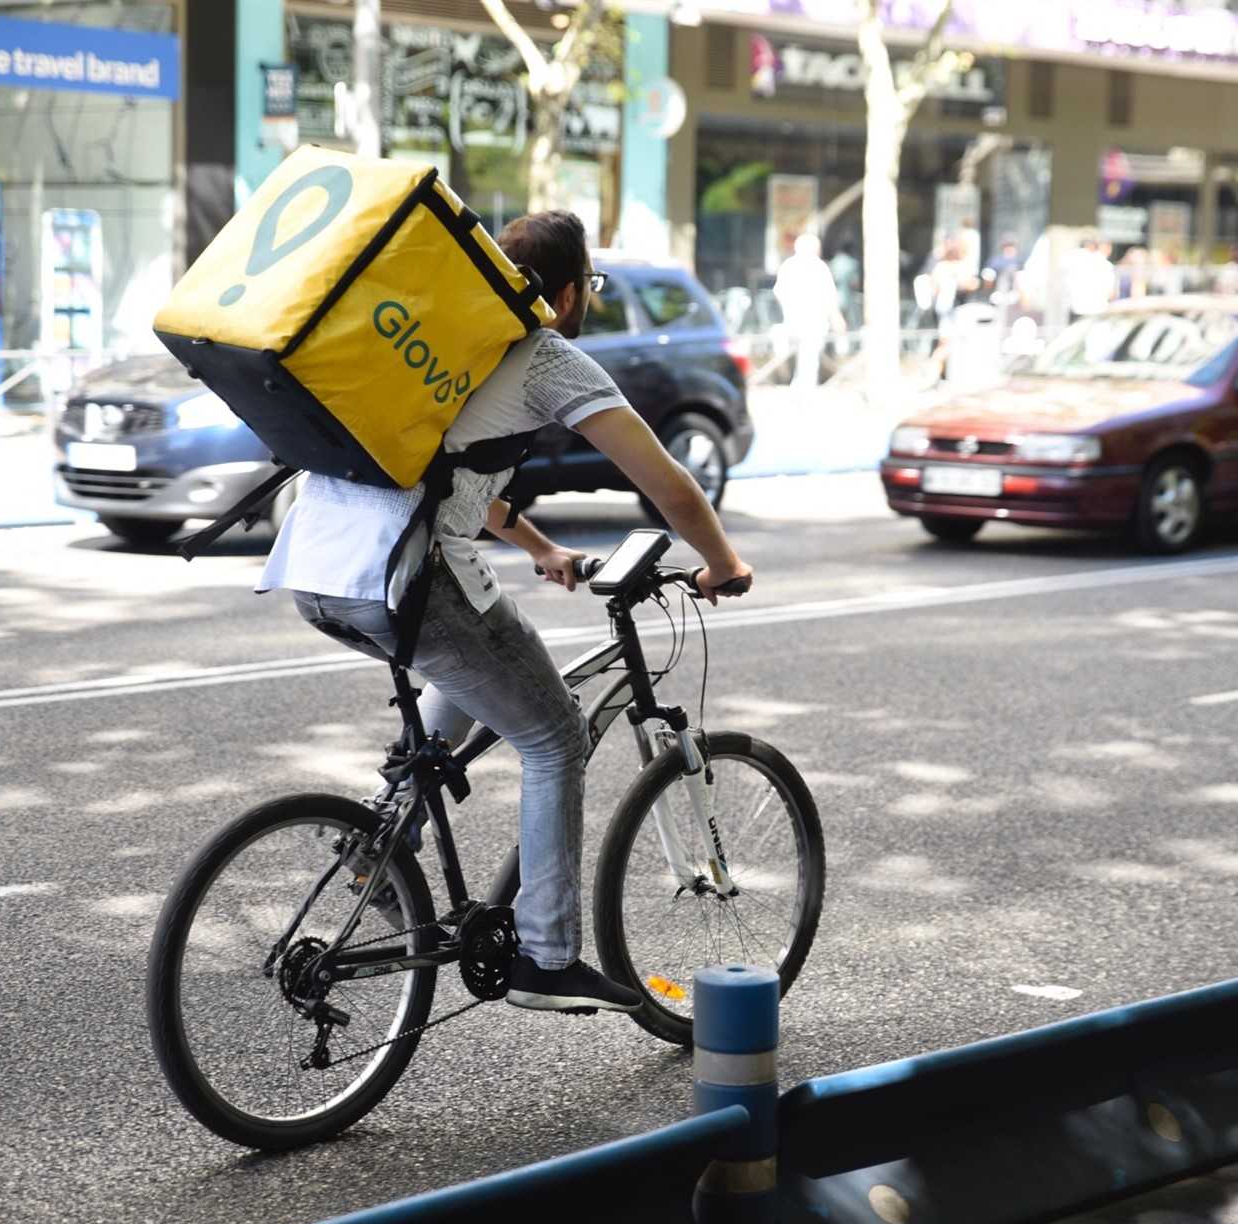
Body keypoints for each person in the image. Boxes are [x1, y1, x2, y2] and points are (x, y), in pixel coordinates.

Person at [257, 210, 755, 1014]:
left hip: (318, 564)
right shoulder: (542, 356)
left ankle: (376, 855)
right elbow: (667, 483)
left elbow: (454, 466)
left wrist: (537, 546)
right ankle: (546, 957)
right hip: (405, 576)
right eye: (586, 286)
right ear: (563, 293)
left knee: (470, 666)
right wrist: (723, 563)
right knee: (555, 732)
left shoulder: (439, 335)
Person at [772, 232, 844, 389]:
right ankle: (803, 387)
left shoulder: (788, 266)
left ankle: (794, 383)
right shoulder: (819, 267)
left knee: (802, 354)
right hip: (814, 321)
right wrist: (836, 318)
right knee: (809, 358)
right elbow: (830, 297)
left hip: (794, 320)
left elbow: (778, 292)